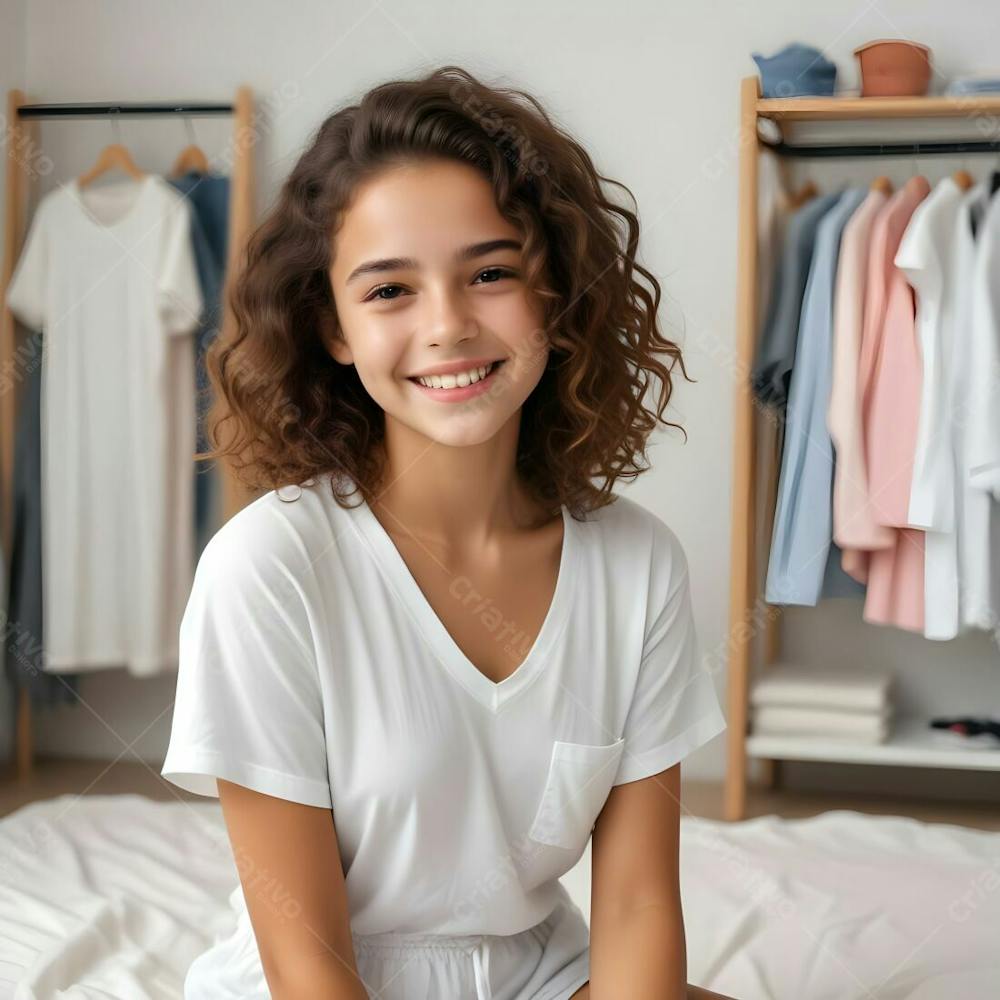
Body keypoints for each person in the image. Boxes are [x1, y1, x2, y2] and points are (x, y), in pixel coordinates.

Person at [161, 64, 733, 1000]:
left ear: (554, 291)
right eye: (390, 291)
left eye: (492, 272)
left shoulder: (638, 566)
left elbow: (634, 910)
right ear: (334, 328)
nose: (449, 326)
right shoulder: (269, 566)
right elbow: (306, 959)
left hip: (541, 979)